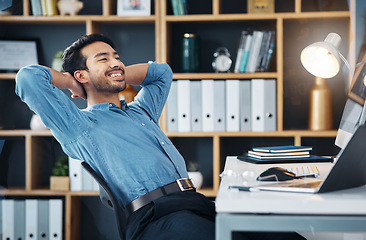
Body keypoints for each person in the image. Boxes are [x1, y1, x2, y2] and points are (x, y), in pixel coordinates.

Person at [16, 34, 305, 240]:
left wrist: (113, 72)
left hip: (197, 203)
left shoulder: (141, 112)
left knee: (281, 232)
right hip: (157, 220)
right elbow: (27, 79)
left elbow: (161, 73)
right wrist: (72, 81)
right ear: (82, 75)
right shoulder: (79, 125)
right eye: (103, 58)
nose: (116, 62)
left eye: (117, 57)